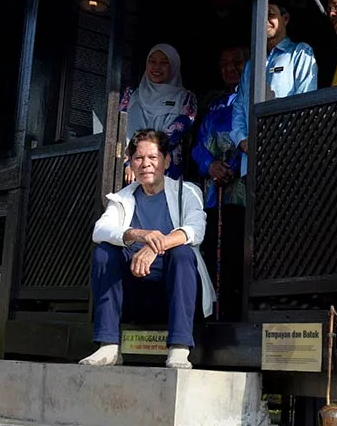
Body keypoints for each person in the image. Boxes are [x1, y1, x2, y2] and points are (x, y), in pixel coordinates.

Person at [80, 130, 215, 369]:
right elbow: (100, 230)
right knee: (104, 252)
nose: (146, 164)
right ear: (131, 163)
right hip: (136, 294)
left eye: (153, 157)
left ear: (166, 161)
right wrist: (139, 234)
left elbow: (196, 230)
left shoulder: (187, 192)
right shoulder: (122, 198)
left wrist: (154, 247)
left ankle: (179, 347)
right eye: (139, 158)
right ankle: (108, 345)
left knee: (182, 252)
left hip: (175, 294)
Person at [230, 2, 318, 169]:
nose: (265, 20)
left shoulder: (299, 53)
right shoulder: (251, 65)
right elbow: (239, 106)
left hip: (287, 156)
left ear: (285, 18)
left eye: (270, 14)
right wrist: (242, 140)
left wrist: (281, 141)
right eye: (260, 16)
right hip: (251, 160)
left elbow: (306, 102)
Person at [120, 44, 197, 180]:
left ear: (173, 66)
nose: (157, 67)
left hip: (166, 171)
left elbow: (176, 131)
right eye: (152, 62)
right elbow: (119, 129)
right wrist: (130, 162)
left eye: (164, 63)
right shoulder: (131, 95)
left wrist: (143, 155)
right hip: (131, 170)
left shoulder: (185, 99)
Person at [192, 45, 247, 208]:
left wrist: (229, 168)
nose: (230, 68)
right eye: (224, 63)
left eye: (237, 61)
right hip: (213, 190)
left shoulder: (255, 98)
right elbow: (198, 145)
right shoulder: (214, 103)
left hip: (243, 187)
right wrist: (210, 165)